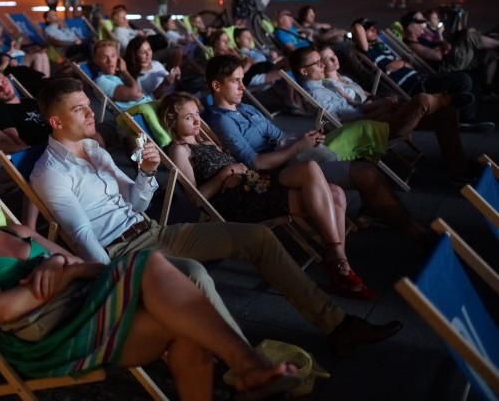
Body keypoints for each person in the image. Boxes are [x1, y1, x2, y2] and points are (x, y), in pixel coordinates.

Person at [30, 78, 403, 352]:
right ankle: (243, 361)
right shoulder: (50, 173)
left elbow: (137, 204)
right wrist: (118, 285)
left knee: (256, 237)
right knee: (194, 274)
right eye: (78, 109)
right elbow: (83, 239)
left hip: (153, 230)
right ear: (56, 122)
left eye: (87, 104)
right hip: (119, 254)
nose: (90, 112)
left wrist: (145, 174)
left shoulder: (95, 152)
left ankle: (336, 325)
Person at [0, 157, 302, 399]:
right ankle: (248, 364)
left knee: (187, 329)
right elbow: (0, 309)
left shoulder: (17, 232)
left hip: (82, 308)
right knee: (151, 263)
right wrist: (59, 278)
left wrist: (61, 269)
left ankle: (246, 366)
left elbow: (81, 265)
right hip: (42, 337)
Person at [161, 90, 376, 298]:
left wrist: (236, 171)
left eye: (197, 114)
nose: (197, 121)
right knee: (313, 171)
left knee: (336, 192)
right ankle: (339, 264)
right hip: (242, 202)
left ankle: (339, 265)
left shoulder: (207, 142)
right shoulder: (180, 150)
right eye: (189, 117)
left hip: (255, 183)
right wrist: (228, 171)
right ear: (173, 122)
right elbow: (196, 199)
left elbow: (237, 165)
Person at [203, 55, 434, 247]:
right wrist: (298, 146)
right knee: (366, 172)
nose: (244, 87)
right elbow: (255, 162)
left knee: (365, 167)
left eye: (243, 80)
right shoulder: (221, 120)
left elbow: (279, 136)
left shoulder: (247, 108)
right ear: (216, 85)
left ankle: (382, 219)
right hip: (280, 172)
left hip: (294, 157)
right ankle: (415, 233)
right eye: (236, 81)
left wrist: (306, 140)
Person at [291, 45, 469, 179]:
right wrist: (377, 110)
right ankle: (448, 97)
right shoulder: (316, 94)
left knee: (447, 113)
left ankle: (457, 168)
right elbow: (343, 123)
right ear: (304, 71)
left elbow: (352, 108)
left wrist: (379, 105)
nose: (322, 65)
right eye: (318, 62)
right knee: (422, 99)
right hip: (374, 128)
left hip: (379, 117)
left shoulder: (325, 85)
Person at [350, 18, 489, 128]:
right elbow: (357, 28)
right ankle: (464, 119)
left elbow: (409, 64)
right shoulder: (366, 51)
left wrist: (403, 63)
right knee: (463, 79)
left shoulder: (381, 46)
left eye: (373, 27)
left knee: (472, 74)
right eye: (368, 28)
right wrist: (360, 25)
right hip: (414, 86)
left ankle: (464, 113)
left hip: (421, 78)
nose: (374, 29)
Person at [401, 11, 499, 91]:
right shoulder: (413, 45)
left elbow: (443, 45)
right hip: (447, 66)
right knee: (470, 37)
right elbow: (438, 56)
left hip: (450, 58)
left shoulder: (420, 38)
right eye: (420, 22)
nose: (424, 25)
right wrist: (441, 46)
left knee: (490, 53)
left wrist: (441, 45)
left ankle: (487, 89)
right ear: (410, 27)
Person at [0, 27, 46, 94]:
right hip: (14, 84)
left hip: (24, 76)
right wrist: (5, 63)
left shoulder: (0, 54)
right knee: (43, 82)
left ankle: (45, 81)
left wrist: (13, 62)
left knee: (43, 74)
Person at [92, 39, 154, 111]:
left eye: (113, 56)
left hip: (150, 105)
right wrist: (125, 72)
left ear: (118, 58)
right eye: (104, 57)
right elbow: (137, 94)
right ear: (96, 61)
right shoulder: (101, 82)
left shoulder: (119, 75)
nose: (110, 61)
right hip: (142, 112)